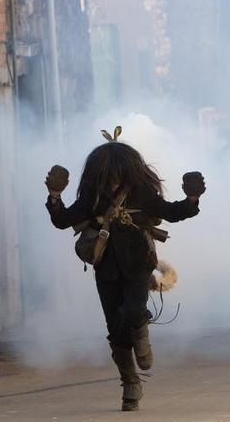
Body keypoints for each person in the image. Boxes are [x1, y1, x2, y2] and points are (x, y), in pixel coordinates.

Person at [44, 133, 205, 411]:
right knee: (115, 329)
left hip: (139, 263)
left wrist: (192, 198)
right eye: (109, 175)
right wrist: (55, 195)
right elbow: (62, 220)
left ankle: (142, 340)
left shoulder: (141, 192)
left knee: (133, 312)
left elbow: (172, 212)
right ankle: (130, 383)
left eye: (118, 174)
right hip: (105, 266)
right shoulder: (92, 196)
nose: (114, 180)